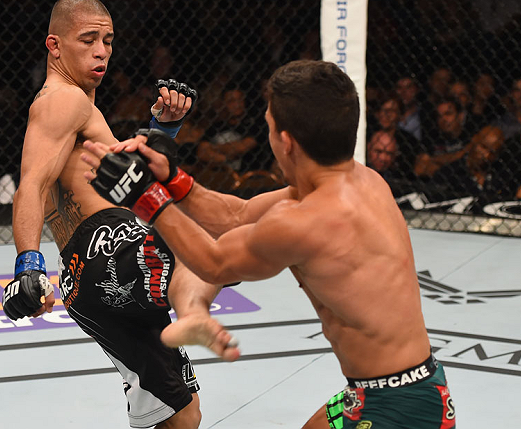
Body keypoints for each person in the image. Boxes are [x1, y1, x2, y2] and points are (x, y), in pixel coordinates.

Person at [83, 60, 456, 429]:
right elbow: (237, 215)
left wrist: (145, 197)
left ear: (286, 142)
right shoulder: (362, 179)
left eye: (269, 127)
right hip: (394, 390)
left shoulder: (304, 221)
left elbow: (213, 262)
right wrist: (172, 179)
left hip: (400, 410)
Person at [0, 0, 238, 429]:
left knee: (182, 416)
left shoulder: (81, 106)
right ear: (54, 45)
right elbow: (31, 182)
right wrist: (27, 265)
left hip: (87, 280)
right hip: (106, 249)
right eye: (87, 39)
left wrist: (162, 129)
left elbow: (122, 180)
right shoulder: (63, 100)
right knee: (227, 241)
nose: (101, 51)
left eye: (108, 40)